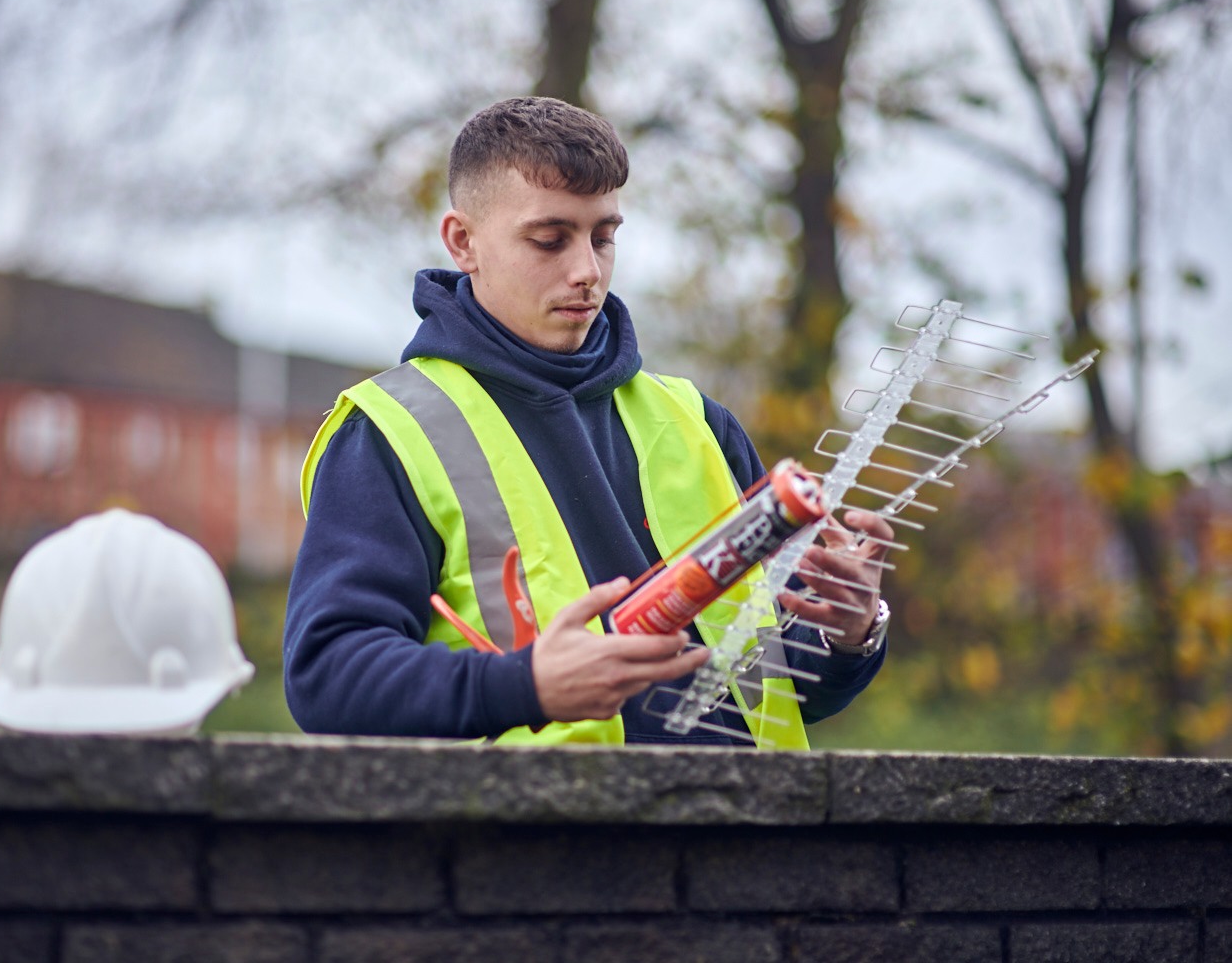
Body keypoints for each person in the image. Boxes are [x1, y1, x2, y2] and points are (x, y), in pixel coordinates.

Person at [283, 96, 891, 746]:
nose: (587, 271)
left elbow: (777, 680)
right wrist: (523, 685)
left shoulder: (698, 421)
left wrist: (848, 631)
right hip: (537, 843)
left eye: (604, 237)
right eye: (550, 239)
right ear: (463, 242)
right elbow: (326, 677)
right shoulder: (390, 432)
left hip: (751, 840)